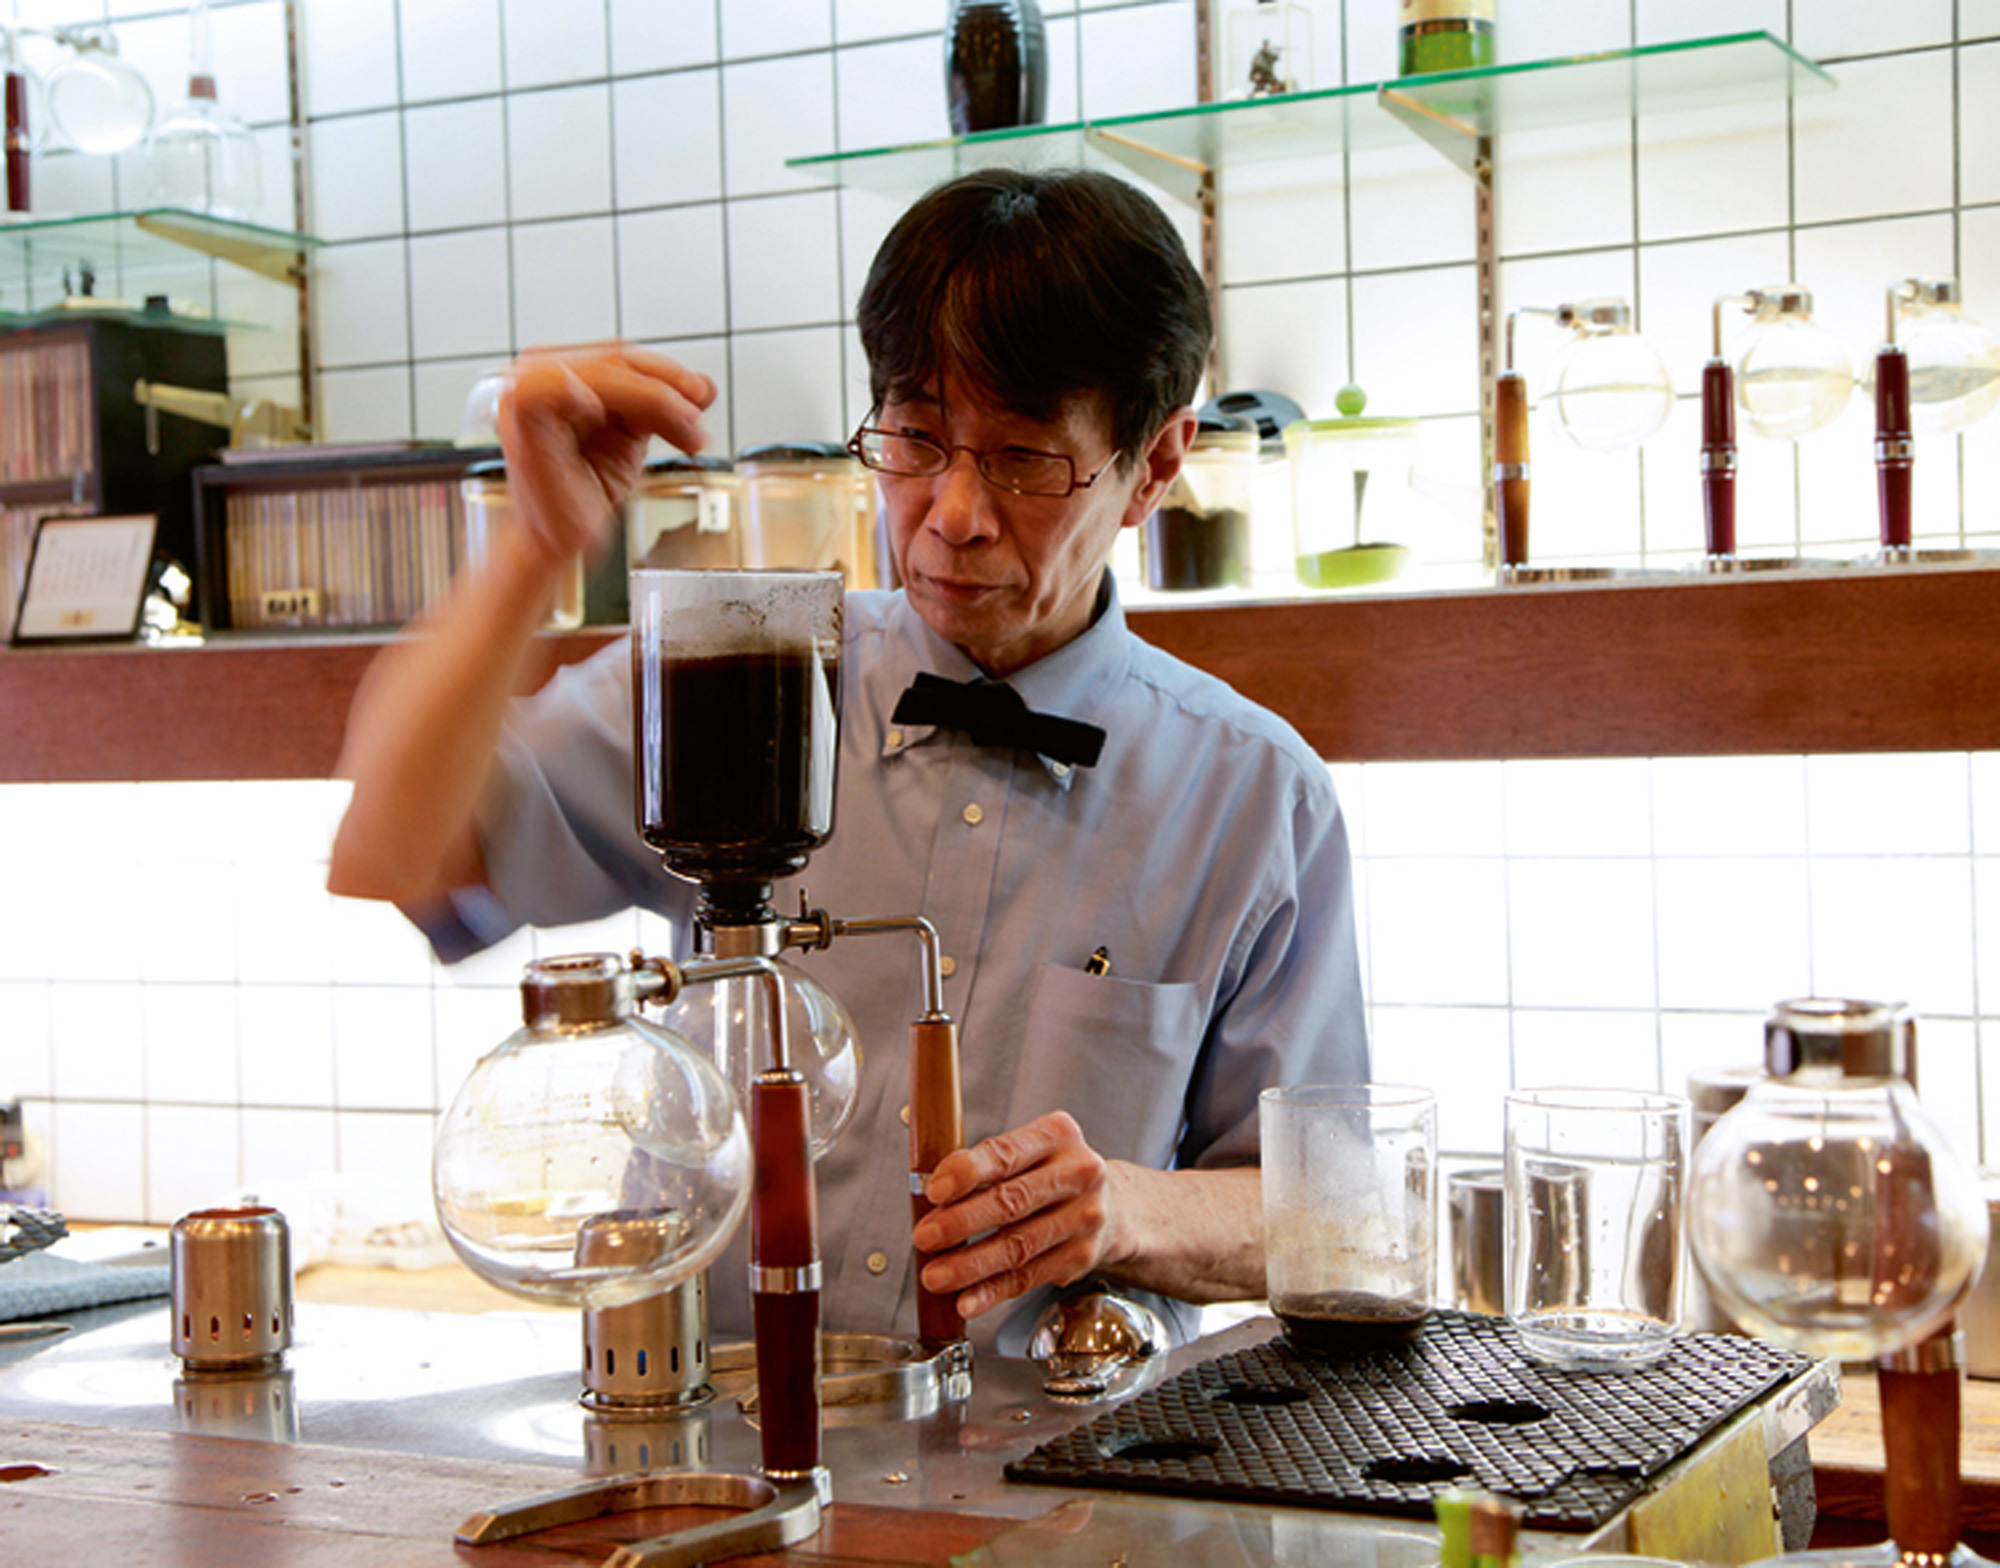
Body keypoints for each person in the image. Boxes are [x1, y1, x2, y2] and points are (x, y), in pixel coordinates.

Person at [328, 167, 1367, 1355]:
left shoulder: (1251, 796)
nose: (952, 512)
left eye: (1025, 460)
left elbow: (1326, 1212)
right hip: (711, 1458)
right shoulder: (743, 671)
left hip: (1060, 1493)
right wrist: (534, 545)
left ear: (1157, 464)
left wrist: (1127, 1208)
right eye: (917, 439)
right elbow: (390, 850)